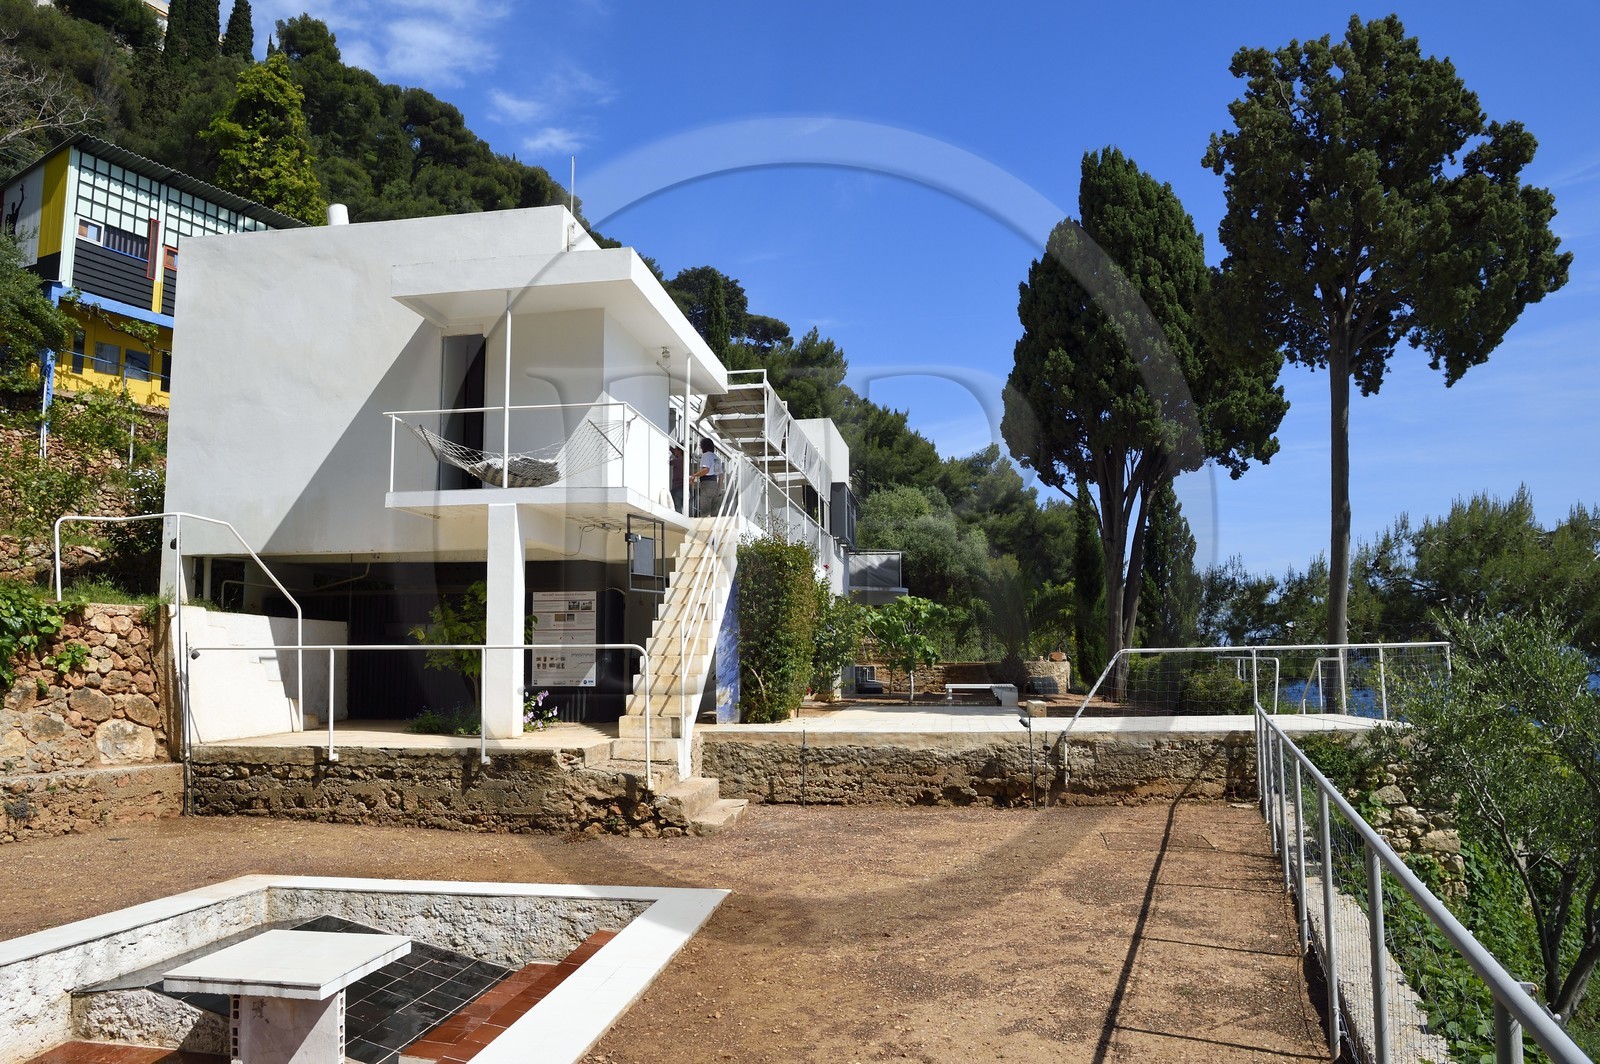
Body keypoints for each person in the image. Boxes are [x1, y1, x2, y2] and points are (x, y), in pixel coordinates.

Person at [690, 437, 722, 516]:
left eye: (701, 446)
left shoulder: (706, 456)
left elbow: (706, 470)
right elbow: (721, 476)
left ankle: (704, 527)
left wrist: (694, 475)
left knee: (705, 510)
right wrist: (718, 489)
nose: (700, 448)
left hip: (706, 483)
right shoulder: (716, 458)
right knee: (714, 510)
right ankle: (715, 527)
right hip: (715, 483)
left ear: (704, 446)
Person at [669, 445, 685, 513]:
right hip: (684, 487)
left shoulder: (677, 460)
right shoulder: (685, 459)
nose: (674, 451)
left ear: (679, 451)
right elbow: (676, 453)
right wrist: (670, 448)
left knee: (677, 508)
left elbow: (668, 462)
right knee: (685, 506)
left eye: (676, 449)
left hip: (677, 487)